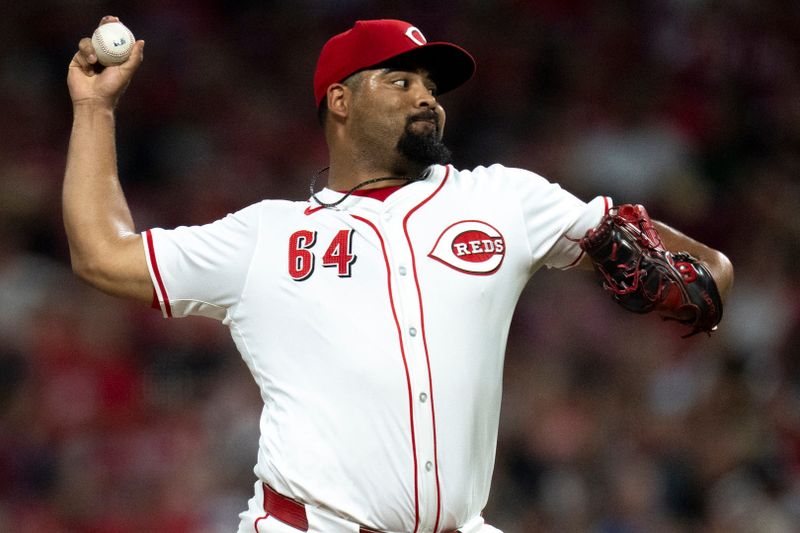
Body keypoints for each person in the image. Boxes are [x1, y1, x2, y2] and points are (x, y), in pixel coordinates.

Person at [64, 16, 733, 533]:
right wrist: (95, 109)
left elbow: (710, 271)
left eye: (432, 87)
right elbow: (102, 252)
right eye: (401, 80)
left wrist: (694, 277)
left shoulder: (503, 199)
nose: (427, 98)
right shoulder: (265, 234)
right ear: (340, 101)